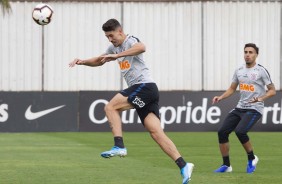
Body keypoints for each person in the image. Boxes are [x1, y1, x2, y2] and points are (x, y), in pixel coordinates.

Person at [69, 18, 194, 184]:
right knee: (156, 133)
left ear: (120, 31)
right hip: (145, 92)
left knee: (110, 107)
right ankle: (184, 165)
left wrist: (117, 56)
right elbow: (100, 60)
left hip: (144, 86)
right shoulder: (113, 48)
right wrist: (82, 61)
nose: (110, 39)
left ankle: (119, 145)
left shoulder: (130, 40)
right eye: (107, 37)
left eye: (111, 35)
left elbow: (142, 47)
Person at [212, 43, 276, 173]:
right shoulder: (239, 70)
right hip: (240, 107)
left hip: (255, 108)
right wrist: (221, 97)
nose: (247, 54)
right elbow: (232, 88)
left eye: (251, 52)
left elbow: (272, 91)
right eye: (246, 52)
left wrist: (260, 98)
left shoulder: (261, 71)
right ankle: (226, 165)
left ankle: (252, 158)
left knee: (240, 131)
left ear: (256, 55)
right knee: (222, 132)